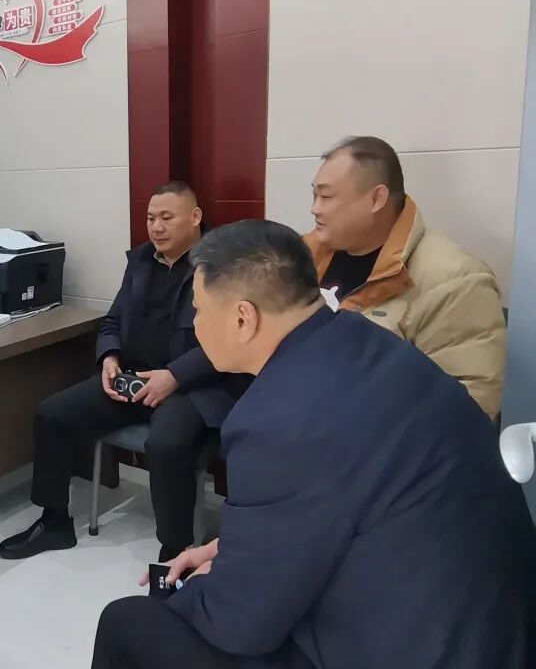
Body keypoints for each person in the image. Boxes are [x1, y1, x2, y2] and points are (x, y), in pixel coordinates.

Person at [92, 220, 533, 669]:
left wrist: (188, 591)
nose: (197, 326)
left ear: (243, 318)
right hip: (491, 627)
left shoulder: (274, 421)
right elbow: (341, 498)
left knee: (128, 622)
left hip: (409, 646)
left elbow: (239, 623)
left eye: (200, 312)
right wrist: (229, 552)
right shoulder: (372, 345)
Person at [0, 182, 248, 563]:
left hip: (192, 388)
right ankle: (55, 522)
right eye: (151, 218)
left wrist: (173, 376)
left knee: (166, 444)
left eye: (167, 217)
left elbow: (231, 340)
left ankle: (175, 551)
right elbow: (113, 320)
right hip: (131, 378)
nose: (156, 227)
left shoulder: (222, 266)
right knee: (52, 413)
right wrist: (109, 357)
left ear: (195, 217)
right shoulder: (141, 261)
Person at [306, 136, 506, 418]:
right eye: (314, 196)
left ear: (377, 199)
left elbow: (468, 409)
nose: (315, 208)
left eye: (326, 197)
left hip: (367, 436)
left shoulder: (456, 281)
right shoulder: (301, 257)